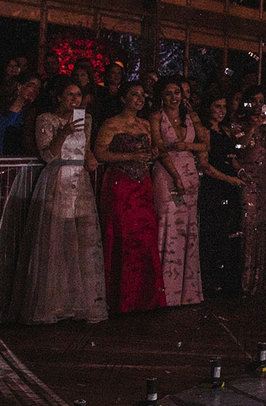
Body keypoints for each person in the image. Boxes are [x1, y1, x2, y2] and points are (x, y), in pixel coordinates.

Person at [8, 77, 107, 323]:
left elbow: (85, 150)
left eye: (78, 95)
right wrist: (62, 133)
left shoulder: (86, 120)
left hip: (79, 180)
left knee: (81, 240)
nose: (75, 100)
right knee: (55, 239)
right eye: (70, 95)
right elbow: (48, 155)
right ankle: (52, 304)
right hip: (58, 176)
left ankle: (80, 302)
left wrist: (91, 159)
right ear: (60, 97)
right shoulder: (46, 119)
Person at [93, 81, 165, 313]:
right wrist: (130, 156)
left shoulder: (145, 124)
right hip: (121, 184)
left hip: (142, 185)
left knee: (145, 237)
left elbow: (153, 149)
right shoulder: (111, 123)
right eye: (134, 94)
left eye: (142, 95)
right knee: (121, 236)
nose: (140, 98)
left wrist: (152, 153)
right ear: (123, 98)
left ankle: (145, 297)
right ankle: (120, 299)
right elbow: (100, 153)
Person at [152, 76, 204, 306]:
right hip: (166, 174)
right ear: (161, 96)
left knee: (188, 231)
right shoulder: (156, 117)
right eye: (169, 93)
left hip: (190, 172)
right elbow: (159, 148)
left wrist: (188, 147)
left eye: (177, 92)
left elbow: (206, 144)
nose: (174, 97)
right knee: (167, 227)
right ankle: (165, 293)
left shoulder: (191, 117)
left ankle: (187, 293)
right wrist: (175, 176)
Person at [197, 93, 245, 299]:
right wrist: (228, 179)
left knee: (229, 232)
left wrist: (242, 172)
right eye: (217, 105)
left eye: (224, 106)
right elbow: (205, 165)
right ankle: (211, 282)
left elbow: (232, 157)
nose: (221, 110)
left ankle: (228, 282)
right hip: (214, 186)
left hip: (229, 186)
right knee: (213, 233)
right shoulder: (205, 132)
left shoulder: (226, 130)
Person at [234, 85, 266, 295]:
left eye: (262, 101)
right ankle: (244, 280)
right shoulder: (238, 122)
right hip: (247, 175)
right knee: (247, 221)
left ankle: (262, 281)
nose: (258, 105)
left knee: (263, 222)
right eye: (255, 101)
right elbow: (239, 147)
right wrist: (253, 127)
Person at [0, 74, 40, 156]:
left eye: (38, 88)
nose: (35, 90)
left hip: (17, 161)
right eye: (31, 86)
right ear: (19, 86)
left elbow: (28, 142)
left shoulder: (30, 113)